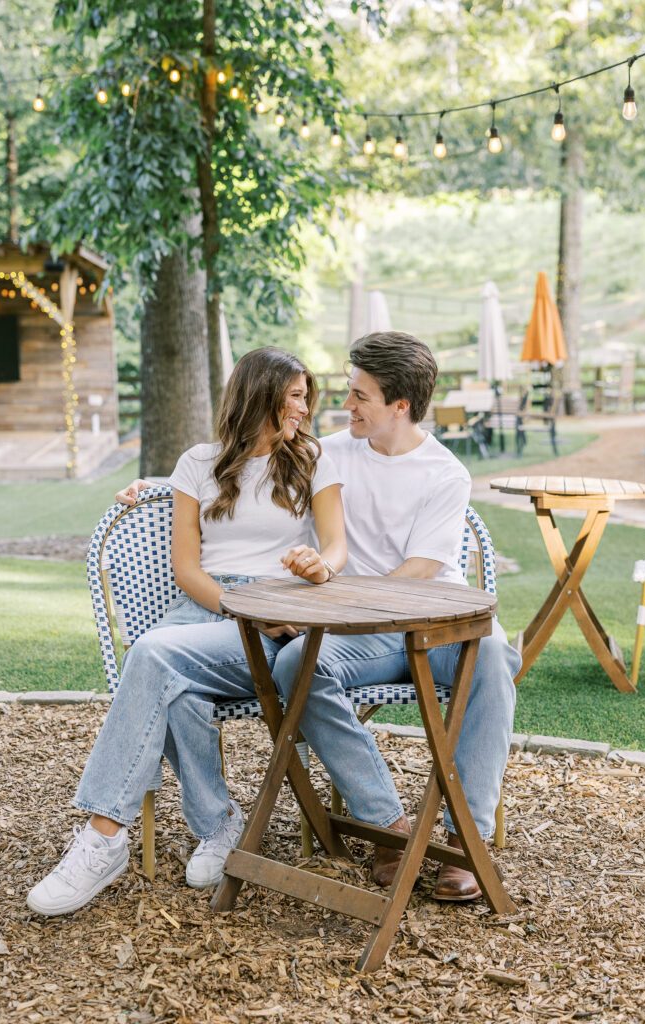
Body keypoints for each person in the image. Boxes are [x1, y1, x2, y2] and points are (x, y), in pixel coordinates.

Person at [111, 332, 521, 900]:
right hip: (352, 631)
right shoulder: (331, 449)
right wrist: (156, 487)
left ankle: (463, 839)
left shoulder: (445, 474)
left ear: (399, 406)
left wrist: (347, 602)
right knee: (298, 665)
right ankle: (386, 825)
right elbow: (246, 462)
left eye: (359, 396)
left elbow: (425, 568)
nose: (344, 406)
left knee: (494, 654)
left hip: (429, 621)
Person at [27, 347, 348, 917]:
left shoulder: (314, 461)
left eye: (306, 396)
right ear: (261, 395)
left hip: (270, 615)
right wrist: (229, 606)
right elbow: (187, 569)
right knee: (173, 684)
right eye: (295, 396)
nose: (304, 407)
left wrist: (319, 570)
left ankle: (103, 837)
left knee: (149, 658)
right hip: (202, 607)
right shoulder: (198, 462)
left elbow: (337, 546)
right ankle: (220, 825)